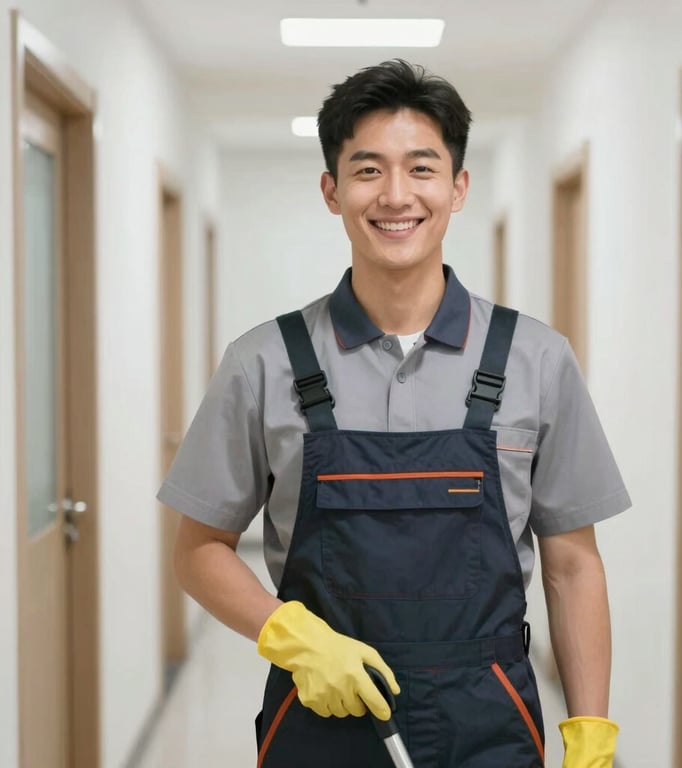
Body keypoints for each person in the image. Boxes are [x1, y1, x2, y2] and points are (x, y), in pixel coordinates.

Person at [159, 59, 630, 768]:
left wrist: (591, 731)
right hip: (319, 719)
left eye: (422, 168)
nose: (396, 195)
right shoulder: (265, 361)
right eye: (369, 170)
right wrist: (293, 637)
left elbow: (571, 566)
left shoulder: (535, 359)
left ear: (458, 187)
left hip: (490, 721)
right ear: (332, 190)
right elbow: (198, 551)